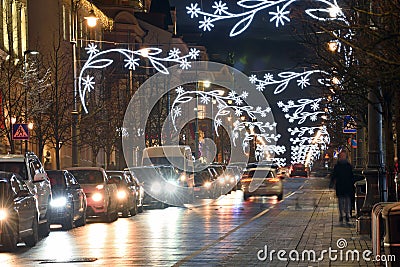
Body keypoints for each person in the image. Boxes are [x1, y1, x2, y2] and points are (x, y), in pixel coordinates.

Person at [330, 151, 355, 225]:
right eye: (341, 156)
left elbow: (351, 176)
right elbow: (334, 175)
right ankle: (341, 215)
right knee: (341, 201)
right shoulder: (337, 166)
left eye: (343, 156)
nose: (342, 157)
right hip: (340, 186)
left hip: (347, 186)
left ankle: (347, 214)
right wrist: (332, 183)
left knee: (347, 201)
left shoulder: (348, 166)